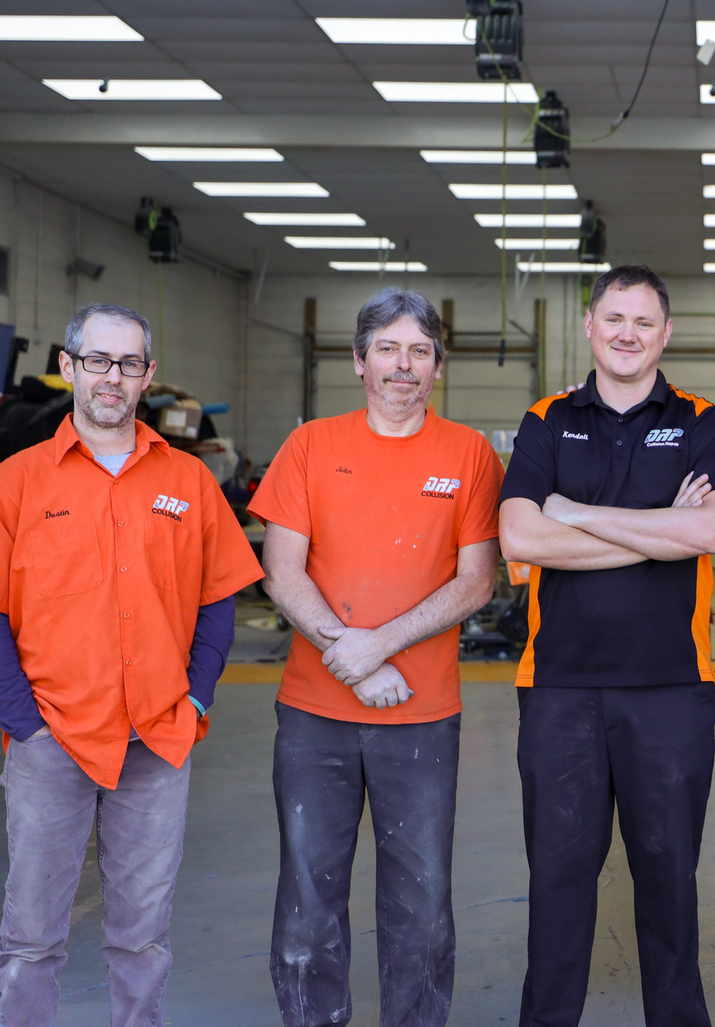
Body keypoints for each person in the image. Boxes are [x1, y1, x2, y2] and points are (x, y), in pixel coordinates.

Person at [0, 303, 262, 1027]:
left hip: (157, 738)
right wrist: (27, 725)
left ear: (149, 376)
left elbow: (219, 603)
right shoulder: (14, 484)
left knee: (143, 936)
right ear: (71, 366)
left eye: (131, 362)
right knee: (31, 936)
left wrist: (195, 702)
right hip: (52, 738)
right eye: (99, 360)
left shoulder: (191, 482)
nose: (114, 376)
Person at [251, 289, 503, 1027]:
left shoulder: (468, 454)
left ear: (437, 367)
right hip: (313, 715)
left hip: (421, 715)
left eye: (419, 351)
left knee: (420, 900)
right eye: (388, 349)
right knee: (307, 892)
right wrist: (351, 655)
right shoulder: (310, 447)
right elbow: (282, 571)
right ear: (358, 361)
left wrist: (378, 645)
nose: (404, 365)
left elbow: (477, 579)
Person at [498, 265, 715, 1027]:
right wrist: (652, 529)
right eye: (614, 319)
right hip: (559, 688)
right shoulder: (547, 419)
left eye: (644, 321)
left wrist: (573, 510)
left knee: (669, 880)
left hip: (670, 687)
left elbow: (706, 531)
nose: (628, 333)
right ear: (591, 327)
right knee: (558, 882)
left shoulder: (703, 419)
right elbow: (519, 535)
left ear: (665, 333)